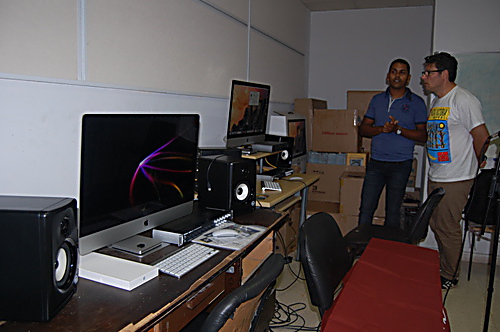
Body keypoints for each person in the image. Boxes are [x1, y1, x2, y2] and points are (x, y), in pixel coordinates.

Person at [421, 52, 490, 290]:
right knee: (436, 223)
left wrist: (479, 160)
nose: (424, 77)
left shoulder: (464, 100)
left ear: (444, 74)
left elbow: (481, 136)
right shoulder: (438, 101)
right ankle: (444, 265)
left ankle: (450, 274)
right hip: (438, 173)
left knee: (448, 225)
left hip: (457, 177)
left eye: (429, 72)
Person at [358, 59, 427, 228]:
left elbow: (423, 136)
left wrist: (398, 130)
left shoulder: (417, 103)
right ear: (388, 76)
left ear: (408, 78)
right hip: (376, 163)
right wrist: (382, 129)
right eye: (394, 71)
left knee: (393, 211)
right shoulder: (377, 100)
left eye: (402, 72)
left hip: (401, 165)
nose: (397, 76)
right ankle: (360, 250)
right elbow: (363, 130)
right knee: (366, 208)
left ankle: (388, 250)